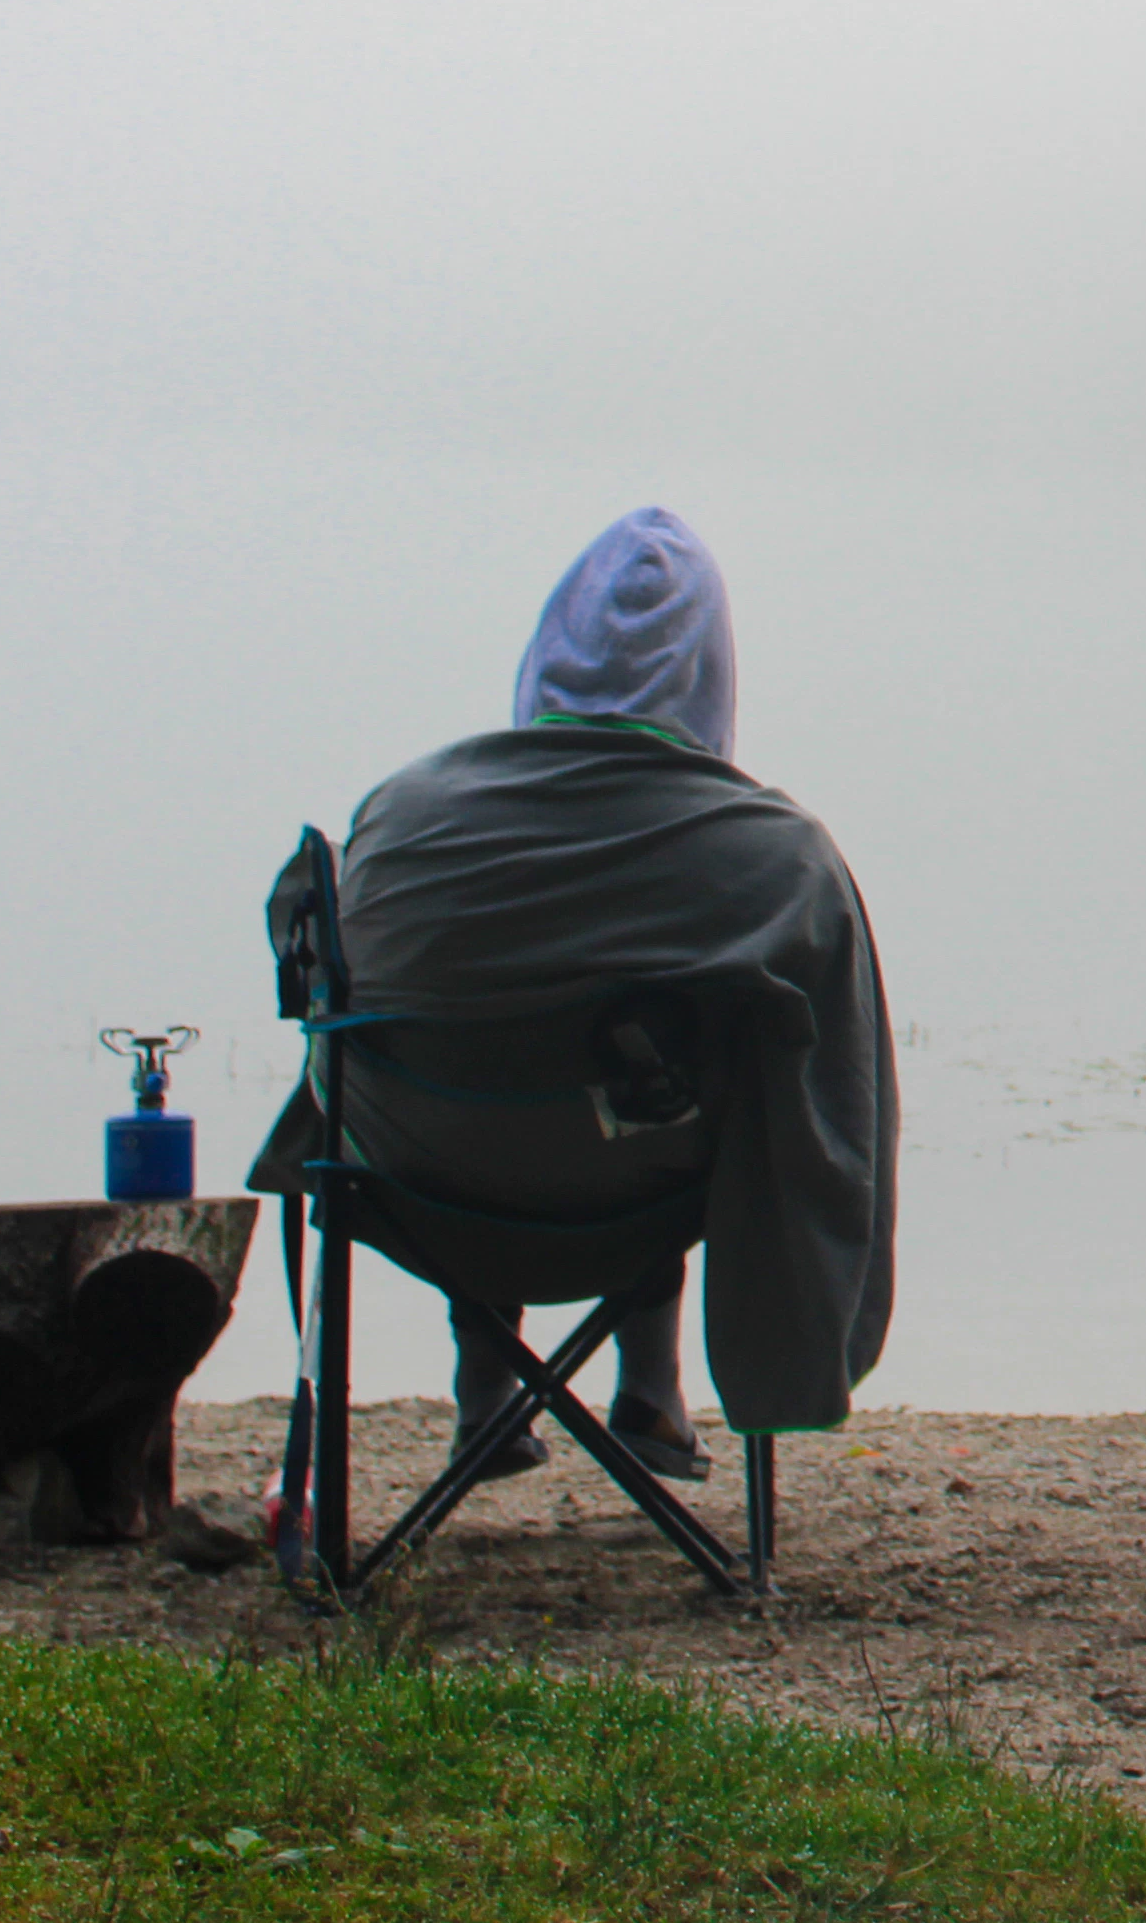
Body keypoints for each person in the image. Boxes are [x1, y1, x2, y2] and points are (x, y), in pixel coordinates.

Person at [250, 508, 900, 1481]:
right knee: (654, 1086)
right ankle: (653, 1391)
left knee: (494, 1059)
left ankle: (485, 1391)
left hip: (422, 1181)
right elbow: (841, 1103)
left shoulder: (403, 812)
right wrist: (821, 1334)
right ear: (713, 674)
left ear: (543, 654)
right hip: (642, 1192)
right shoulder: (775, 855)